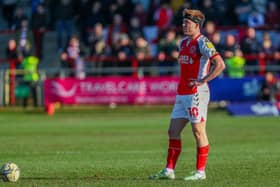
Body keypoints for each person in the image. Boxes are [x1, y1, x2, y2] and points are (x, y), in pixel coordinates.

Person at [149, 8, 225, 181]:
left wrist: (203, 80)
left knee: (198, 131)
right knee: (173, 131)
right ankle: (169, 170)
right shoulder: (183, 42)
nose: (184, 25)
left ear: (197, 25)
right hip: (182, 93)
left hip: (196, 92)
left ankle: (200, 172)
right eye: (183, 22)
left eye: (187, 23)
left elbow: (220, 64)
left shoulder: (203, 42)